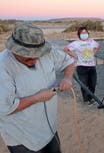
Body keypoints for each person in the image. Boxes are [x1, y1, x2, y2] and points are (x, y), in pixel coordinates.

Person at [0, 22, 75, 153]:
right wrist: (37, 98)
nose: (34, 59)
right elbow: (5, 108)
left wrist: (67, 78)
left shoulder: (48, 52)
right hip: (21, 136)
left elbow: (68, 61)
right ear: (14, 49)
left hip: (49, 128)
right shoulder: (3, 66)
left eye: (37, 54)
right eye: (28, 56)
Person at [64, 26, 100, 105]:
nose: (84, 34)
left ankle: (91, 98)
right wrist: (75, 56)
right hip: (81, 67)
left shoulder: (91, 41)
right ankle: (86, 100)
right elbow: (66, 49)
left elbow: (98, 46)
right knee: (84, 84)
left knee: (93, 83)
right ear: (79, 34)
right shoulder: (76, 43)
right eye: (82, 33)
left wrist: (93, 53)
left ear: (88, 33)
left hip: (92, 66)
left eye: (86, 33)